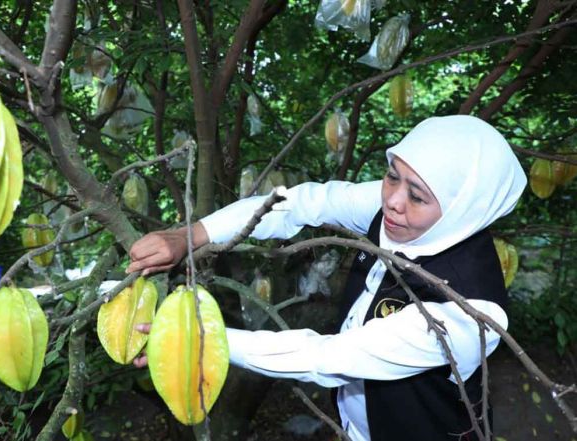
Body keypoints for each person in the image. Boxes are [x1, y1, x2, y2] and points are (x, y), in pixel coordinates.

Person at [127, 115, 527, 441]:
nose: (392, 199)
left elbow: (329, 357)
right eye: (391, 176)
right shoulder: (394, 205)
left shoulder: (470, 312)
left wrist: (190, 336)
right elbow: (300, 204)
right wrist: (190, 235)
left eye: (417, 195)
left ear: (462, 209)